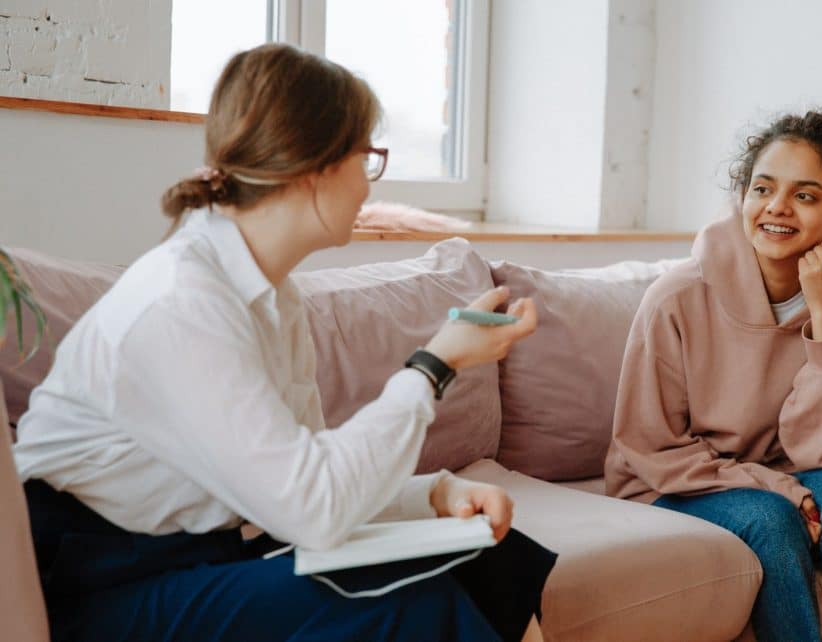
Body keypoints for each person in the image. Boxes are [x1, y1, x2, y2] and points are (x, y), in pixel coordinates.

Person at [14, 43, 555, 642]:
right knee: (404, 602)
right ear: (314, 167)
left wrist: (437, 492)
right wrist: (434, 364)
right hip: (99, 585)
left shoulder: (274, 298)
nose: (369, 188)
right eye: (365, 157)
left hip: (198, 559)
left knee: (491, 556)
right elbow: (313, 511)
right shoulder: (181, 303)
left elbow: (312, 473)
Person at [605, 110, 822, 641]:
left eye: (805, 196)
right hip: (671, 484)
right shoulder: (676, 298)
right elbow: (650, 446)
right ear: (742, 196)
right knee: (771, 519)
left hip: (790, 474)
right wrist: (779, 487)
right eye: (762, 188)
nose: (776, 208)